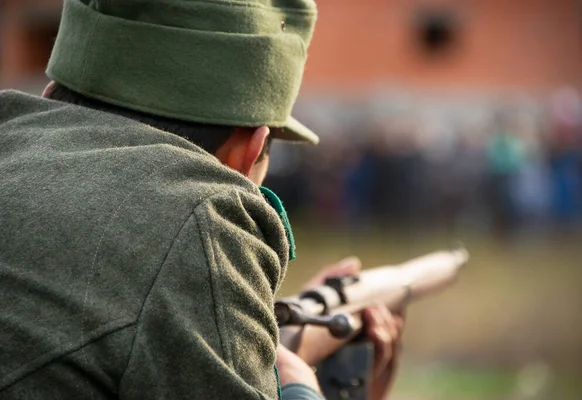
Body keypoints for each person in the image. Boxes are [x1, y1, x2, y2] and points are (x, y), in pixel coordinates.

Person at [0, 0, 403, 399]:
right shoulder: (201, 220)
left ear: (52, 95)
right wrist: (298, 383)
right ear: (252, 149)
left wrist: (249, 314)